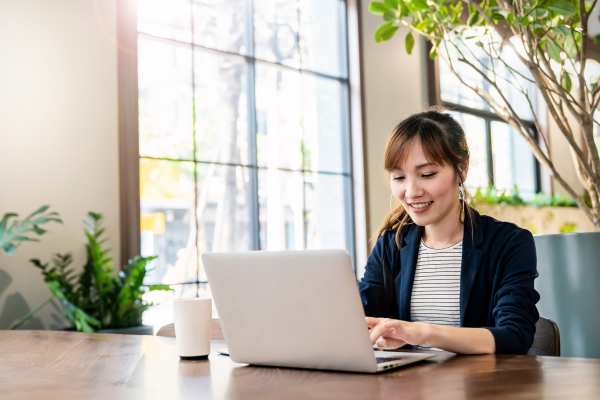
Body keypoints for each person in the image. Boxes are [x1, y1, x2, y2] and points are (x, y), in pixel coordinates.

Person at [360, 110, 540, 354]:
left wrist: (423, 332)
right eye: (399, 177)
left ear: (462, 169)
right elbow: (360, 315)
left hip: (481, 388)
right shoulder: (391, 244)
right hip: (408, 388)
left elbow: (514, 335)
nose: (411, 192)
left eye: (427, 174)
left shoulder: (508, 243)